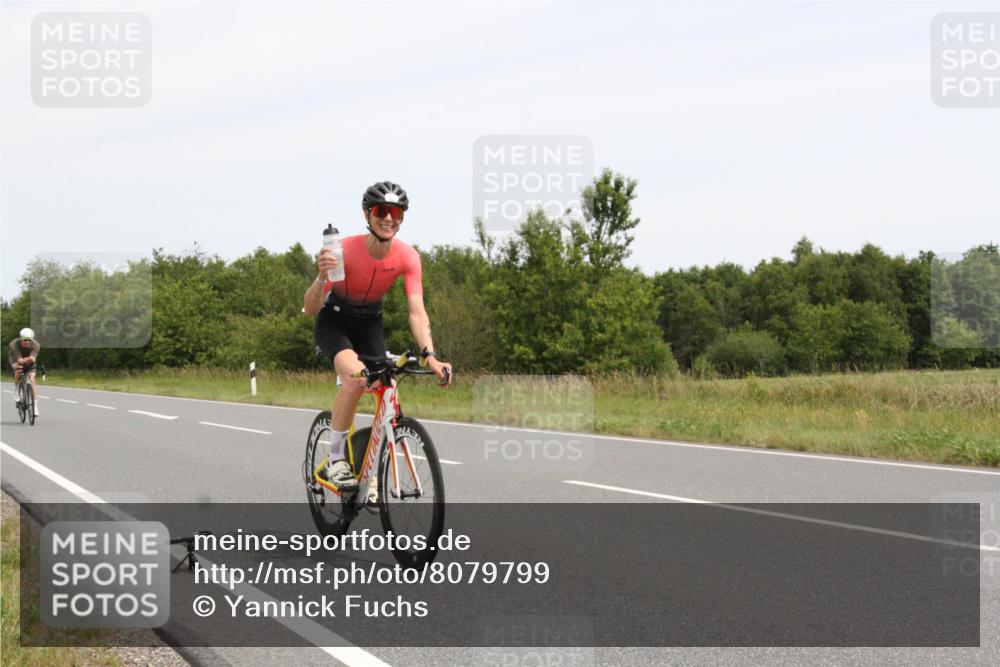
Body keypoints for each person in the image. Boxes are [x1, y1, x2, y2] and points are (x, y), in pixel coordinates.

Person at [303, 181, 452, 492]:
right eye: (381, 210)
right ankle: (335, 461)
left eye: (396, 212)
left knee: (386, 385)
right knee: (356, 379)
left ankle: (366, 464)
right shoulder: (342, 250)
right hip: (335, 322)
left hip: (370, 323)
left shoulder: (408, 256)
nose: (389, 218)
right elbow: (311, 308)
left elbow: (416, 311)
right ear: (367, 215)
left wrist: (431, 356)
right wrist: (320, 277)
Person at [9, 327, 41, 416]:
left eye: (29, 340)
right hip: (15, 359)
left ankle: (34, 407)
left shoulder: (36, 345)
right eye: (25, 340)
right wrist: (27, 359)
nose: (27, 342)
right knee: (18, 368)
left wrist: (30, 359)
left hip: (29, 361)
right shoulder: (13, 344)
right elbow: (19, 360)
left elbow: (33, 359)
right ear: (20, 338)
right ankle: (16, 390)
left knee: (32, 378)